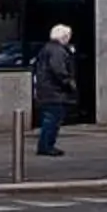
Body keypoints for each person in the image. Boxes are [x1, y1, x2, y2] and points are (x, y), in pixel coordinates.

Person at [29, 23, 78, 156]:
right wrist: (69, 83)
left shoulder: (48, 49)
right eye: (68, 36)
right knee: (52, 119)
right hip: (54, 92)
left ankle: (46, 145)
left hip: (46, 90)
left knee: (50, 119)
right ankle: (46, 146)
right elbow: (59, 70)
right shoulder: (57, 51)